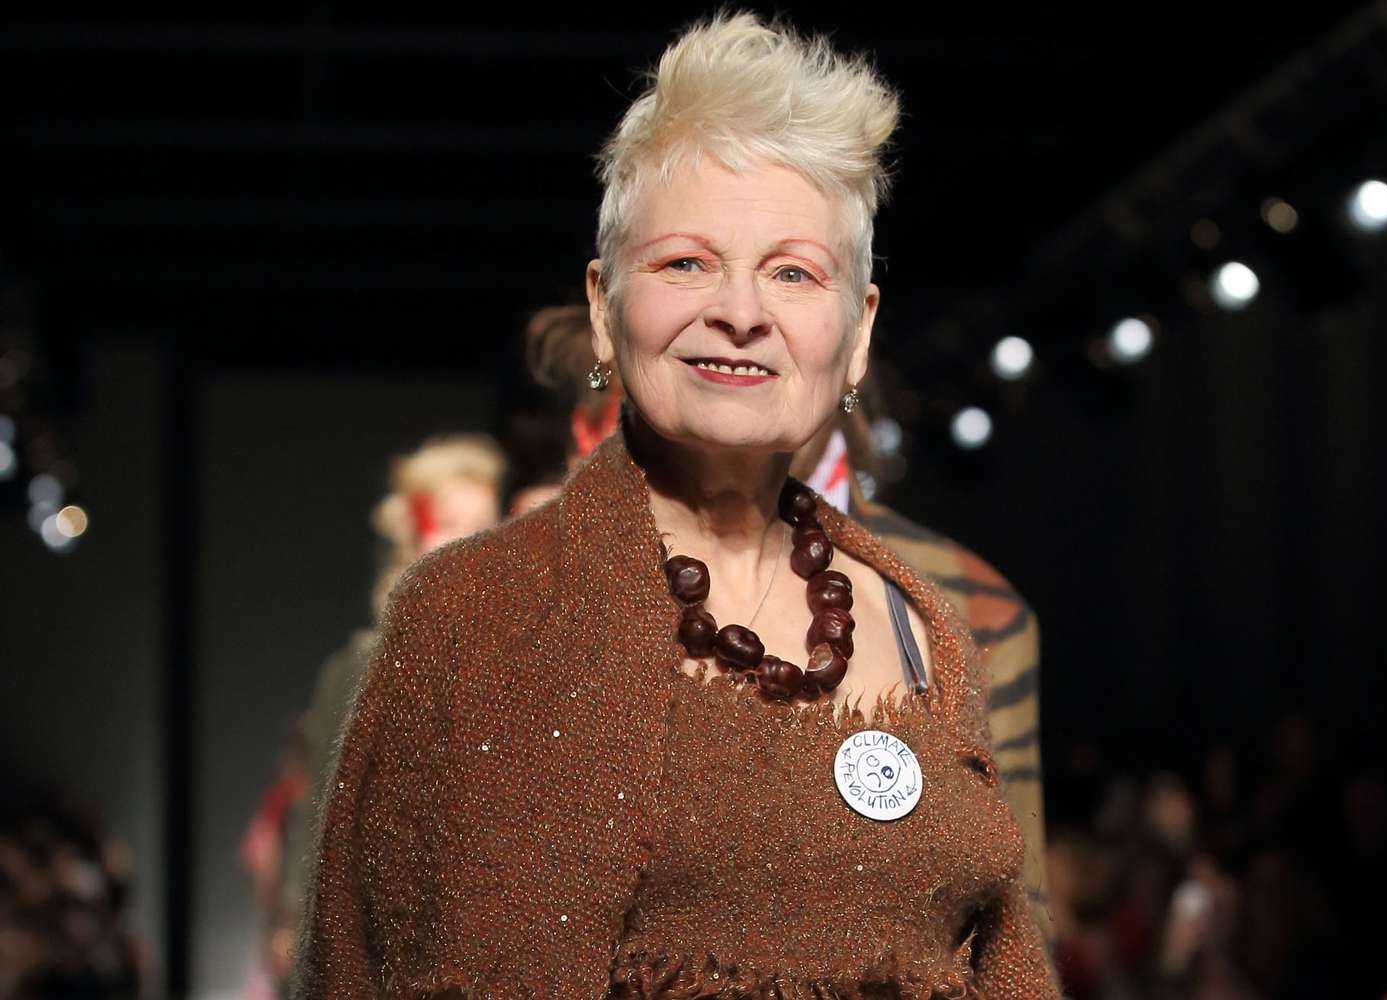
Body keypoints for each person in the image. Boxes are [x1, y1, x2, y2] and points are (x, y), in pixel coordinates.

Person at [298, 13, 1058, 997]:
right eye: (685, 263)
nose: (740, 312)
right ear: (603, 307)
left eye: (793, 272)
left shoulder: (926, 630)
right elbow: (354, 968)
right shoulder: (469, 616)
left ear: (859, 331)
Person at [524, 303, 1052, 936]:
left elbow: (1012, 926)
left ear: (852, 342)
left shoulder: (971, 605)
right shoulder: (548, 578)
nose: (745, 325)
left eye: (794, 280)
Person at [241, 434, 503, 997]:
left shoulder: (519, 656)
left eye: (486, 523)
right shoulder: (364, 664)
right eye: (452, 523)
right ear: (413, 533)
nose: (474, 541)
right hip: (391, 930)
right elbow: (321, 803)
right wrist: (299, 921)